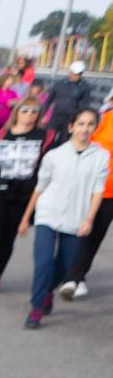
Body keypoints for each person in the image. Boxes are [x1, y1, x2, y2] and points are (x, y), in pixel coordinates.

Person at [21, 107, 109, 329]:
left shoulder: (101, 156)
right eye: (80, 123)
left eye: (90, 124)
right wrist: (26, 217)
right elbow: (40, 187)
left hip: (77, 218)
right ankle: (37, 308)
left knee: (64, 266)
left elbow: (98, 190)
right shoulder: (54, 155)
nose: (84, 128)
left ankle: (47, 291)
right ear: (71, 127)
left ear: (94, 128)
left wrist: (89, 218)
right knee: (43, 263)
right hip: (47, 213)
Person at [0, 95, 47, 293]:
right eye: (25, 111)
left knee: (8, 238)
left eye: (34, 112)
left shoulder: (44, 137)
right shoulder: (2, 134)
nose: (29, 116)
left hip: (23, 196)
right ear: (17, 113)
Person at [60, 105, 113, 298]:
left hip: (109, 193)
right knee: (82, 233)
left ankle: (77, 276)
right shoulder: (106, 119)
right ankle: (71, 276)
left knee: (95, 237)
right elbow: (83, 141)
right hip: (94, 188)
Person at [43, 60, 94, 137]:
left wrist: (79, 119)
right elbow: (49, 100)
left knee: (64, 140)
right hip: (56, 116)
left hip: (70, 118)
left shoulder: (85, 87)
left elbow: (85, 105)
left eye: (78, 74)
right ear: (70, 72)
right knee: (49, 137)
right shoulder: (60, 84)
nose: (76, 76)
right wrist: (43, 114)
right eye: (74, 73)